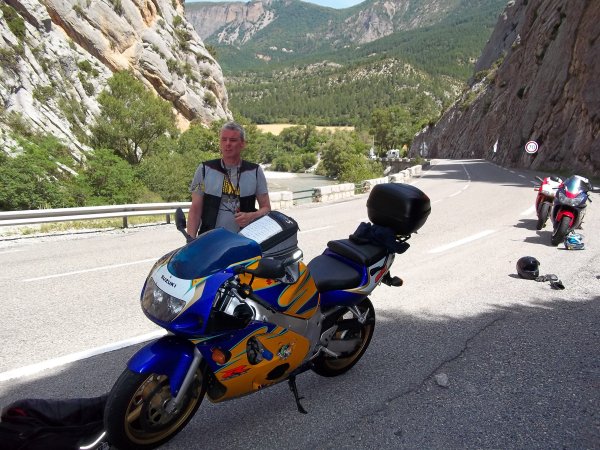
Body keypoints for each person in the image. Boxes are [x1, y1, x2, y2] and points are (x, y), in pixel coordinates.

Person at [187, 121, 271, 237]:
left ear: (242, 144)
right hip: (209, 240)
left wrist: (251, 216)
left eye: (233, 140)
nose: (227, 144)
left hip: (244, 241)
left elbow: (266, 208)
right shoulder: (204, 170)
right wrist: (190, 241)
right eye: (224, 139)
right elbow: (195, 209)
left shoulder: (255, 171)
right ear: (219, 143)